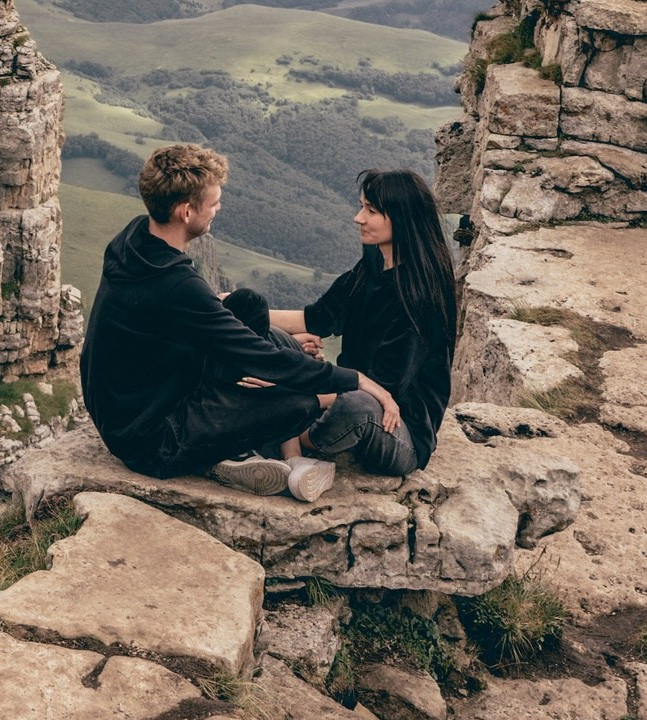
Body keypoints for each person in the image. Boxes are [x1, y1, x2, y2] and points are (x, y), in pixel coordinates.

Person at [80, 143, 405, 503]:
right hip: (152, 440)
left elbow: (215, 329)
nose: (219, 208)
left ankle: (233, 444)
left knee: (247, 304)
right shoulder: (176, 286)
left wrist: (285, 349)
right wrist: (354, 381)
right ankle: (219, 456)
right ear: (187, 212)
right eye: (213, 202)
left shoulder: (135, 237)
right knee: (297, 404)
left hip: (138, 401)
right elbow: (260, 356)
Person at [255, 168, 459, 477]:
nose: (358, 218)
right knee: (264, 334)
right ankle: (291, 450)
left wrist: (293, 390)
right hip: (347, 390)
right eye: (362, 206)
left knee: (358, 406)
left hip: (397, 429)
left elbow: (383, 389)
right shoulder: (372, 266)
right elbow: (316, 319)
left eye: (371, 211)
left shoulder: (420, 298)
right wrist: (225, 309)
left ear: (401, 218)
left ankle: (291, 436)